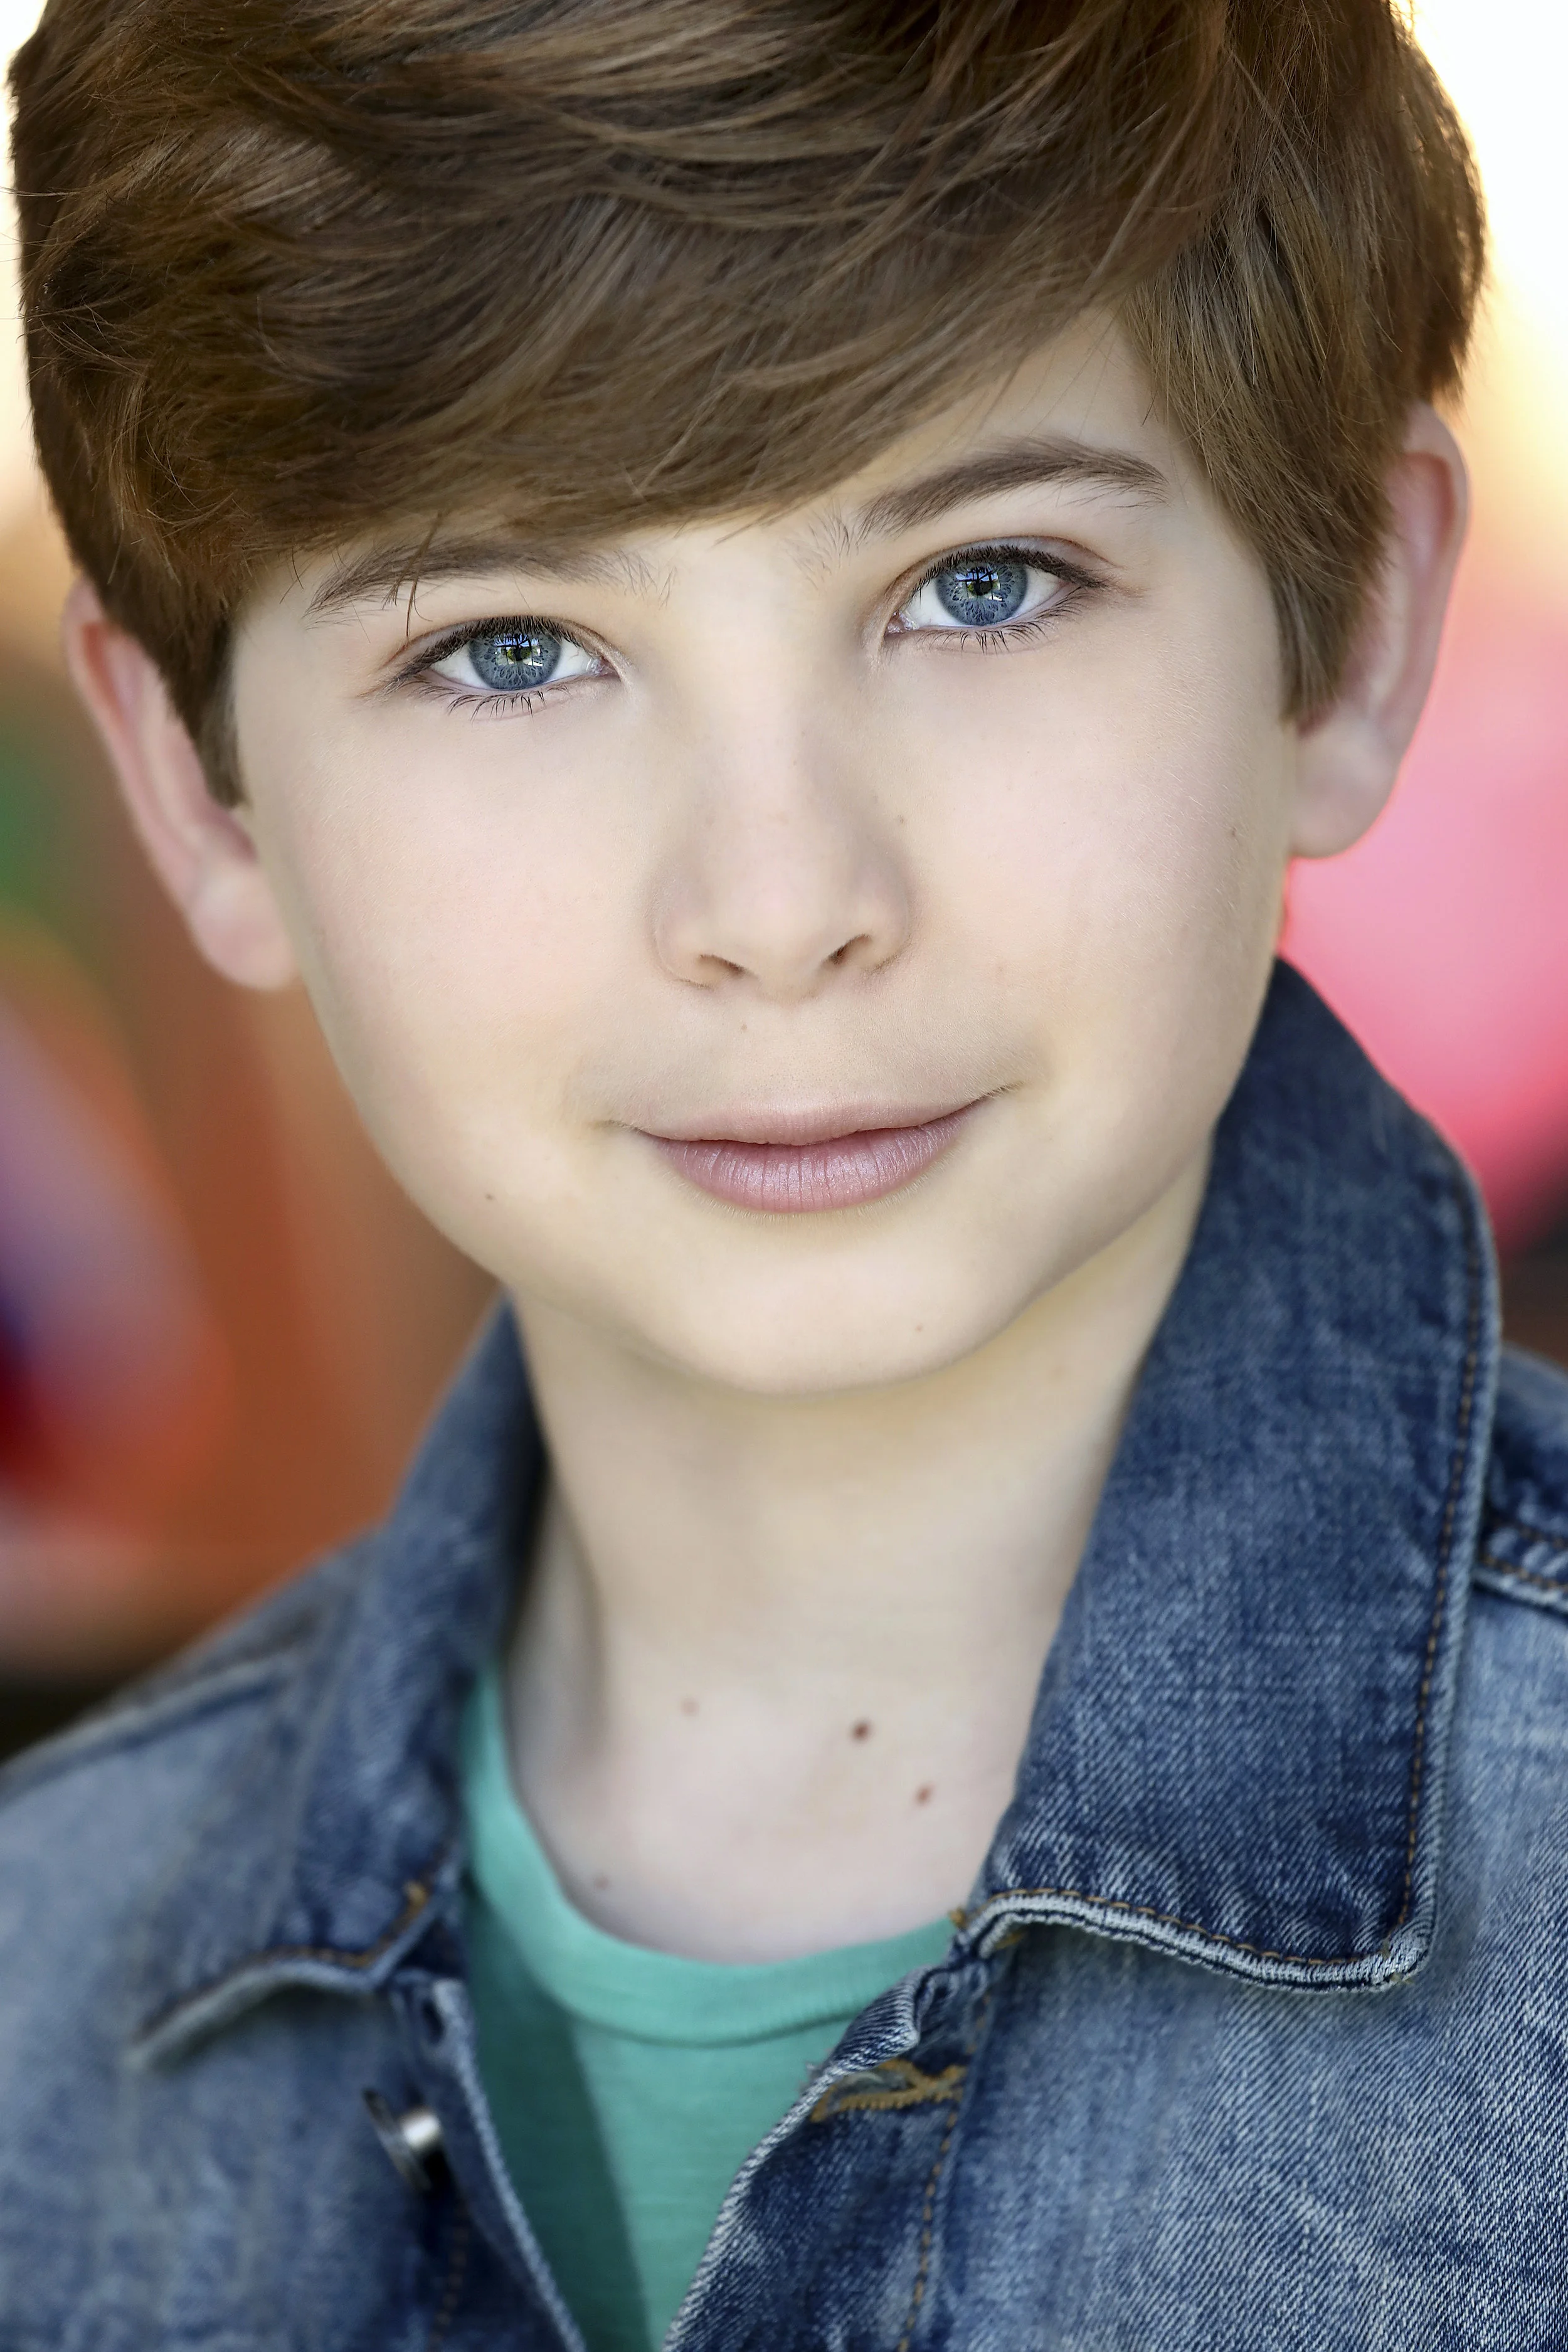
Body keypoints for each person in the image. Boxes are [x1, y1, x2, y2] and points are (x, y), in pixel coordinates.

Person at [1, 0, 1557, 2343]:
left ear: (1341, 633)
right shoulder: (37, 1993)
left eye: (985, 583)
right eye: (511, 646)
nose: (777, 892)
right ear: (207, 791)